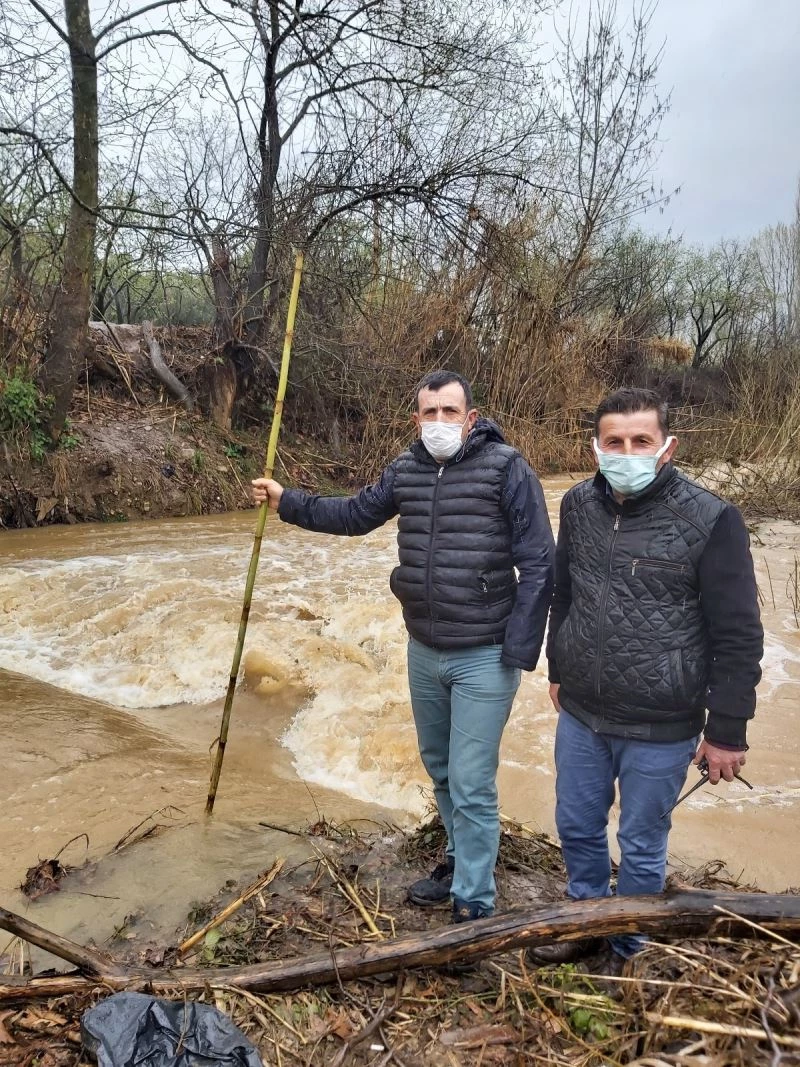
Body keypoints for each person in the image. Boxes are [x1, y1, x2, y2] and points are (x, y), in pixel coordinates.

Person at [252, 370, 554, 923]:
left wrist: (519, 649)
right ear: (415, 419)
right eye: (429, 412)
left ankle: (476, 903)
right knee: (439, 767)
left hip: (485, 652)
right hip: (424, 648)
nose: (439, 422)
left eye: (449, 411)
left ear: (472, 417)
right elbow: (353, 515)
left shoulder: (507, 468)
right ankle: (460, 861)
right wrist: (286, 502)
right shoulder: (407, 469)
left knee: (470, 778)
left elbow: (540, 562)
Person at [531, 387, 763, 972]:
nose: (627, 451)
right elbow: (565, 593)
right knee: (576, 824)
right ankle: (586, 919)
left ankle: (627, 944)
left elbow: (739, 632)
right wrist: (558, 667)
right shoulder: (579, 505)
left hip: (663, 723)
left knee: (640, 843)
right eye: (615, 441)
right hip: (582, 711)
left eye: (641, 441)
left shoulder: (711, 519)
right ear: (596, 448)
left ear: (667, 447)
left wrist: (727, 730)